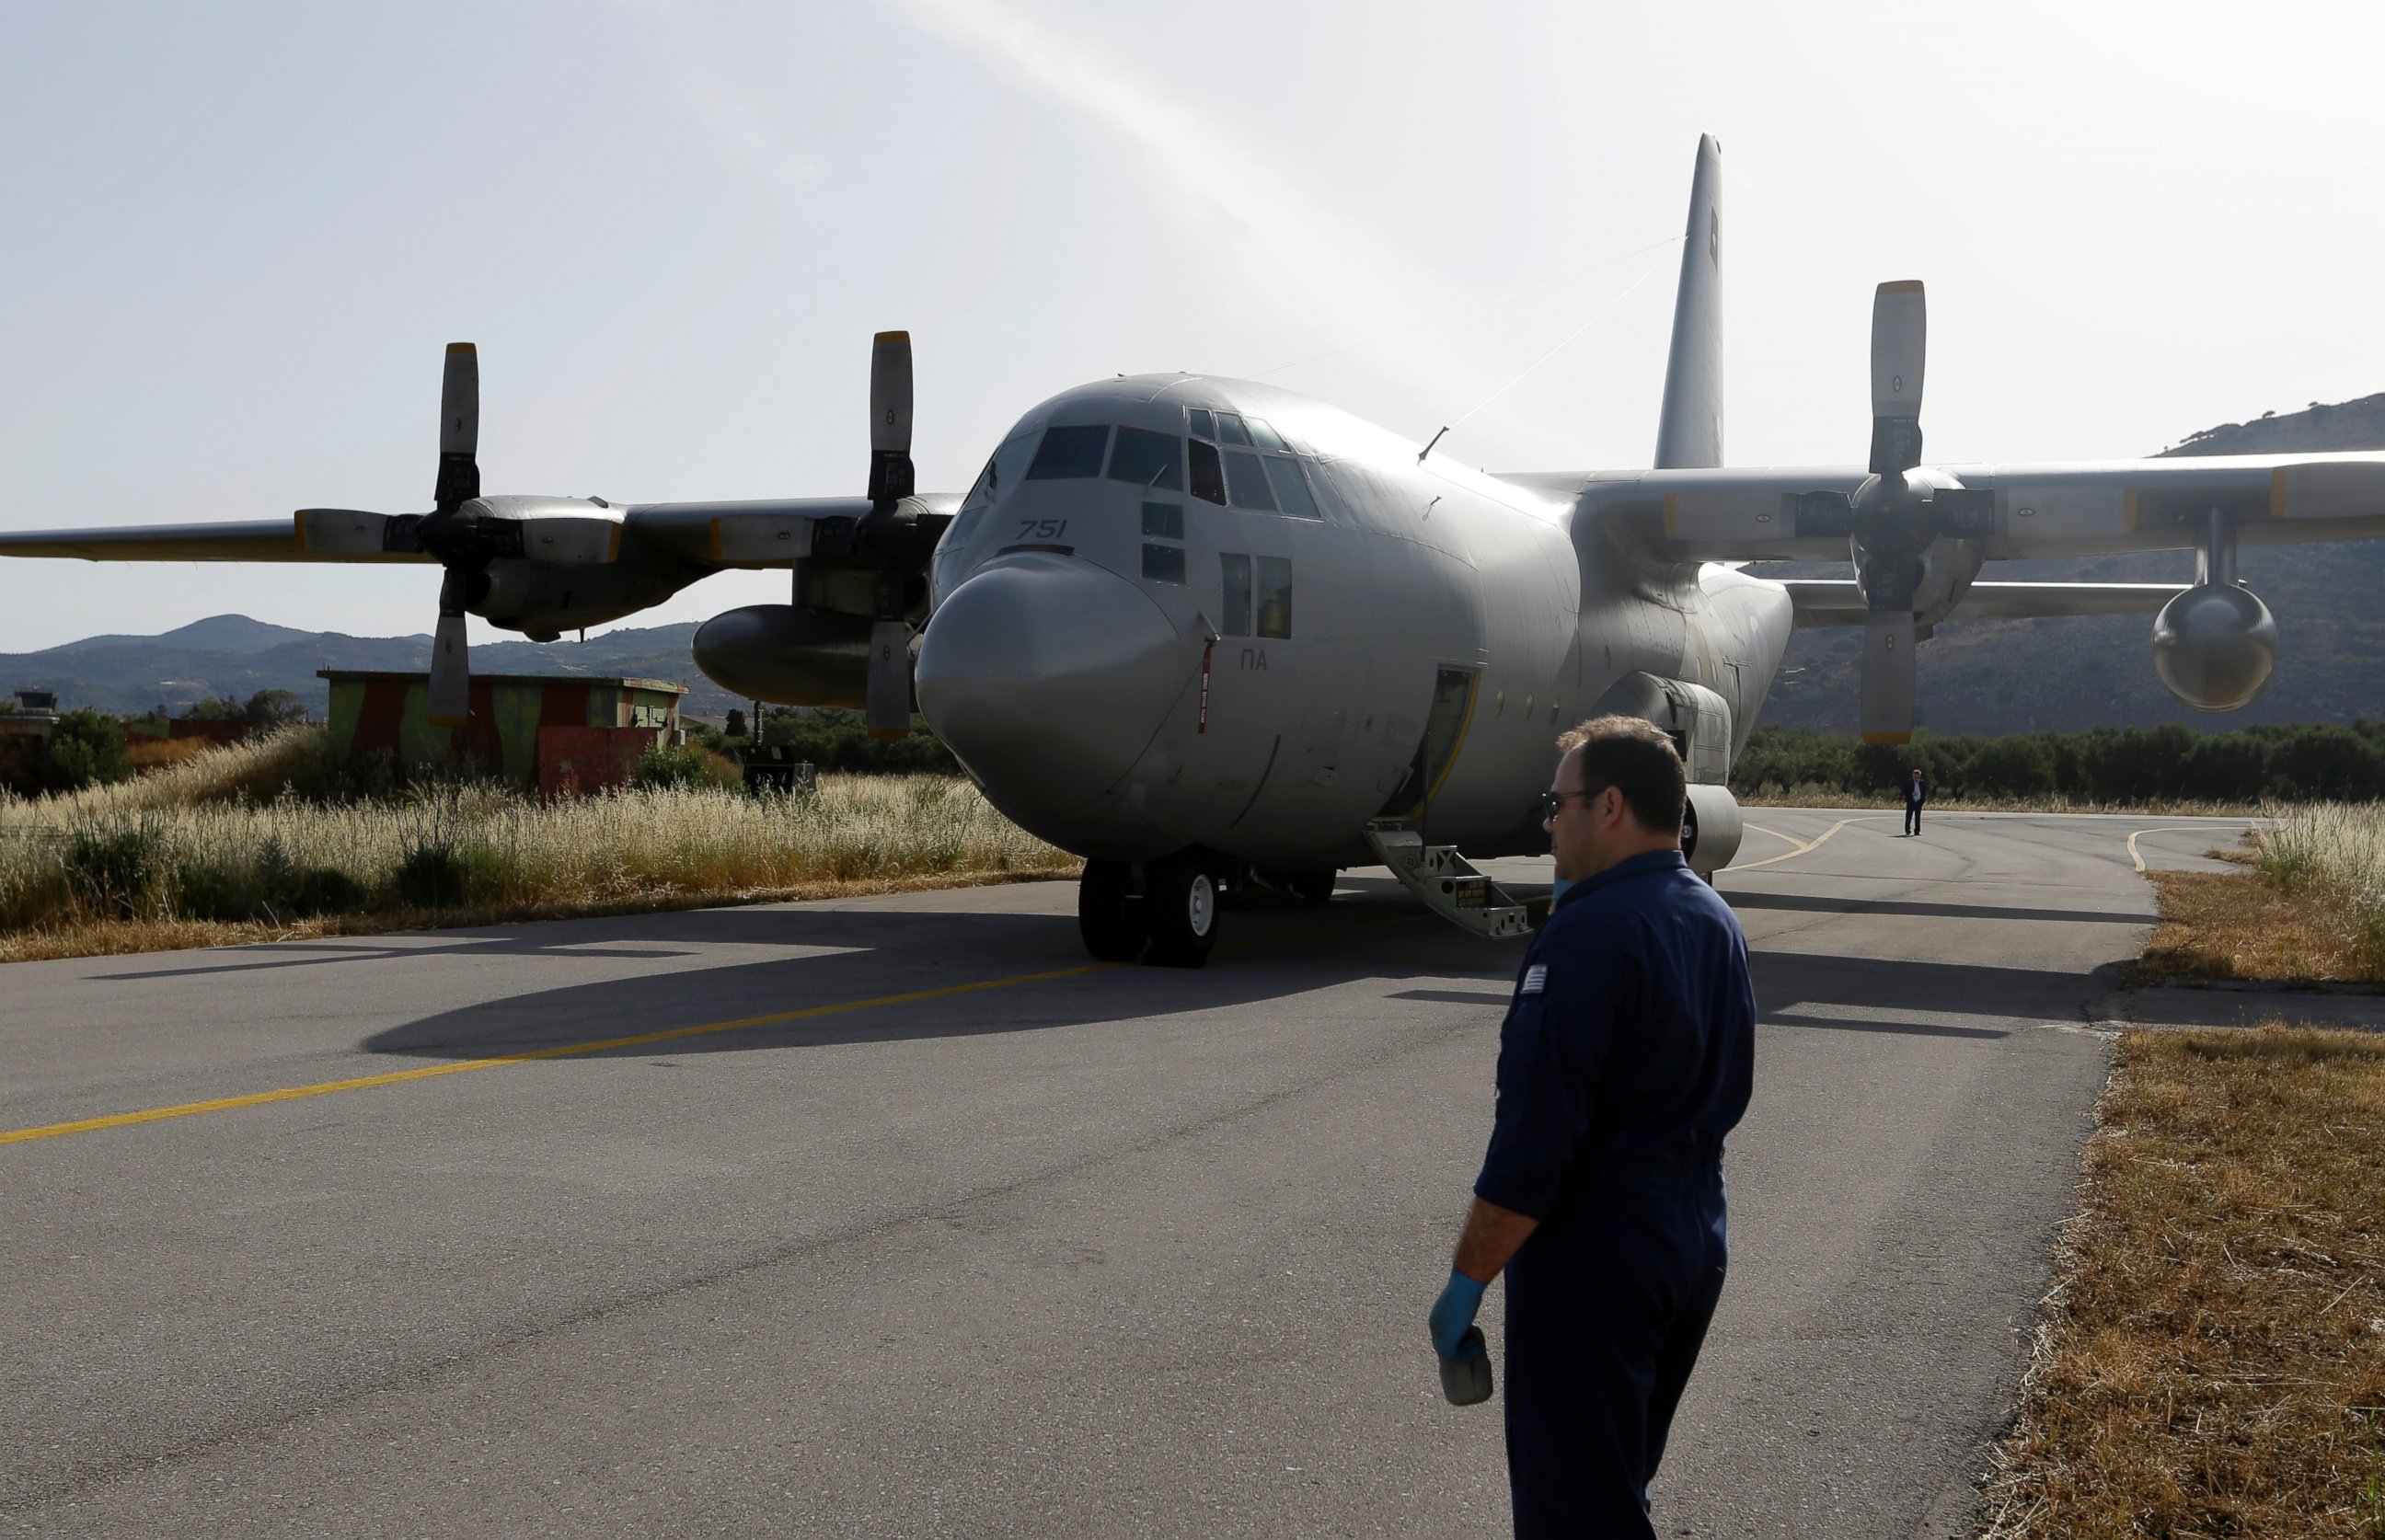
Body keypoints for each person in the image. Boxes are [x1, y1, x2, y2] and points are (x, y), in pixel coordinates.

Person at [1427, 714, 1756, 1539]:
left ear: (1608, 806)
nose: (1547, 822)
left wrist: (1466, 1284)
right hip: (1693, 1238)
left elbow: (1536, 1146)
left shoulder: (1585, 938)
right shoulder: (1714, 919)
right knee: (1615, 1485)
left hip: (1597, 1256)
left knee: (1575, 1513)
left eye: (1557, 802)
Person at [1903, 766, 1928, 836]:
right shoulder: (1909, 783)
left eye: (1917, 777)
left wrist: (1922, 800)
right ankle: (1907, 830)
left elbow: (1924, 792)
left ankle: (1917, 831)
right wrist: (1911, 793)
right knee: (1908, 816)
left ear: (1919, 776)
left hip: (1919, 802)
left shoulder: (1922, 783)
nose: (1916, 778)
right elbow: (1904, 791)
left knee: (1918, 817)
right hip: (1911, 801)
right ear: (1913, 776)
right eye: (1915, 777)